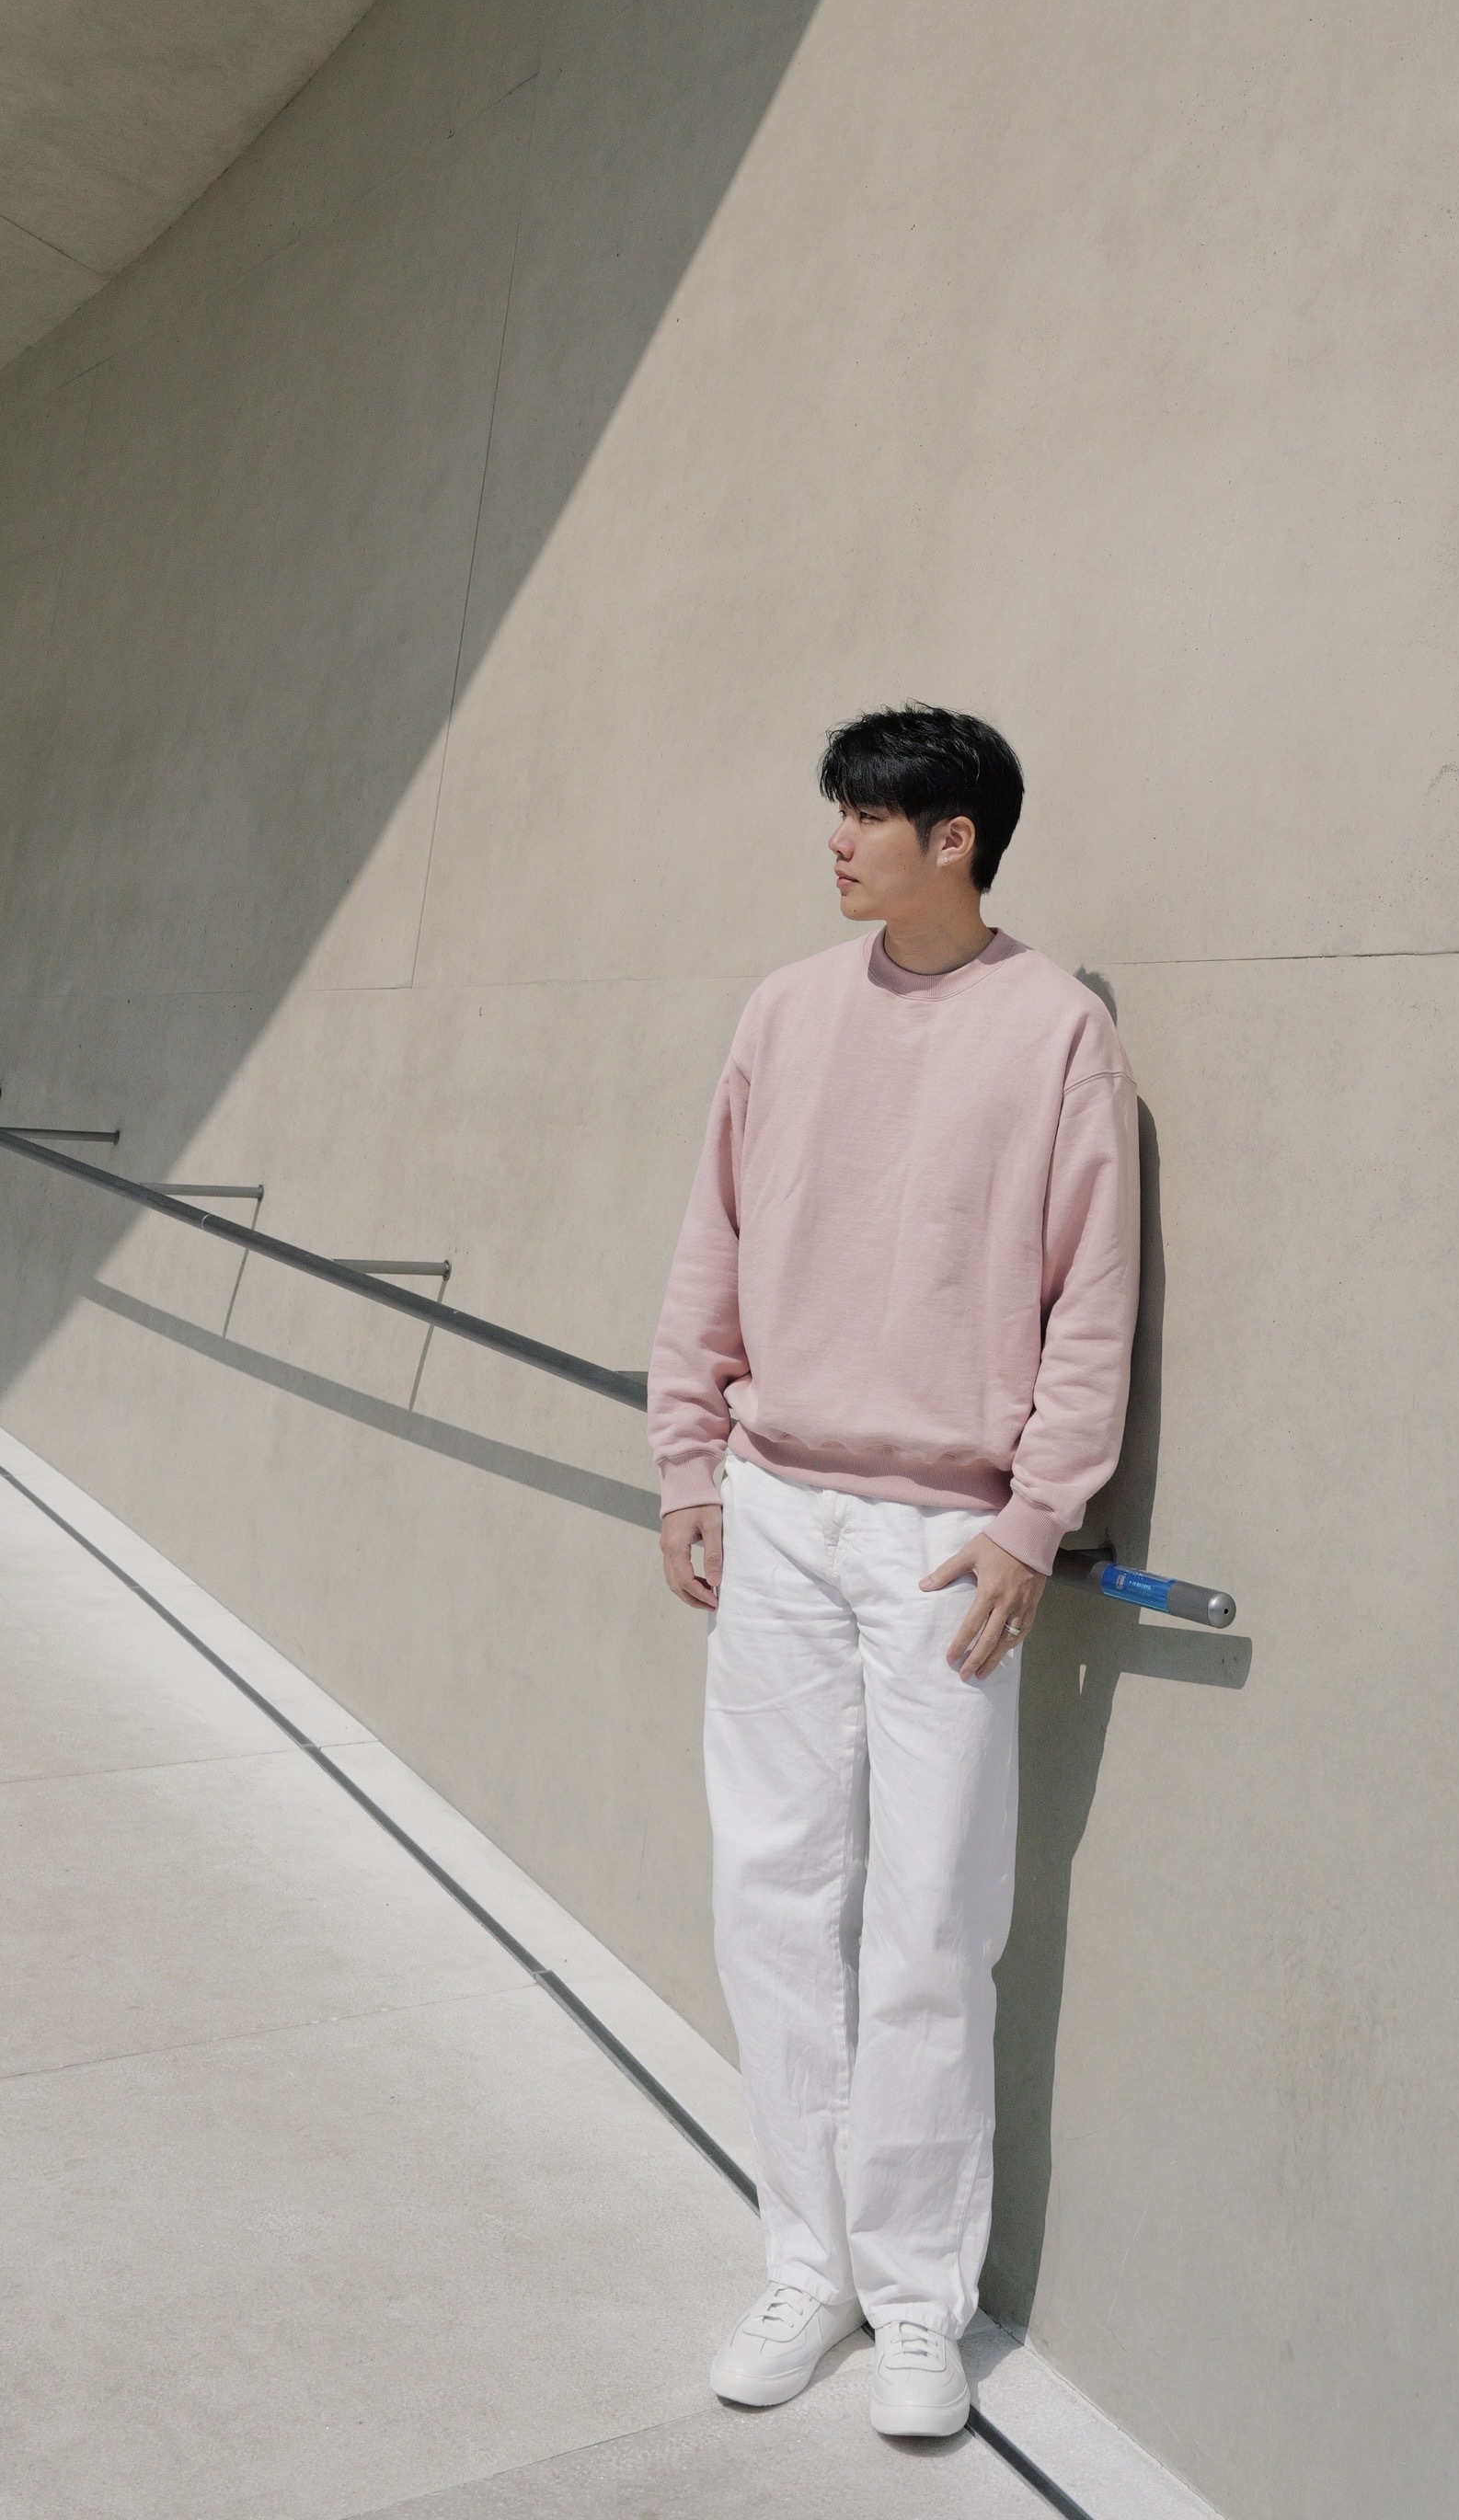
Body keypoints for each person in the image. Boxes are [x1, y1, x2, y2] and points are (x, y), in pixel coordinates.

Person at [648, 704, 1140, 2439]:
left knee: (931, 1915)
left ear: (956, 839)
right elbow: (709, 1242)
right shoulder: (784, 1009)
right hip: (775, 1502)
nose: (837, 839)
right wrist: (685, 1459)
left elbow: (1091, 1299)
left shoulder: (1055, 1028)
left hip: (948, 1538)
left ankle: (919, 2298)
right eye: (838, 809)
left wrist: (1032, 1516)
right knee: (772, 1895)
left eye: (868, 814)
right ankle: (808, 2265)